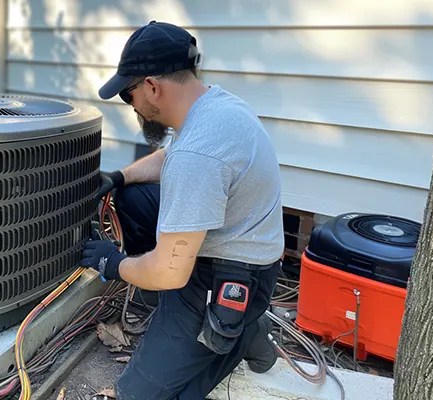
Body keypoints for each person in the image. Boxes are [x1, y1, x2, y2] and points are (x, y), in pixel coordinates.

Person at [79, 20, 285, 400]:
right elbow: (171, 155)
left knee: (138, 394)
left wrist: (114, 264)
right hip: (234, 241)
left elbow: (169, 271)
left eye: (129, 95)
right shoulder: (214, 106)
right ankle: (190, 321)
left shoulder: (199, 154)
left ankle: (236, 331)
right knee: (133, 198)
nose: (133, 107)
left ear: (153, 87)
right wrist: (119, 178)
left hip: (232, 273)